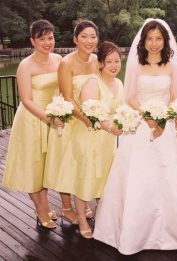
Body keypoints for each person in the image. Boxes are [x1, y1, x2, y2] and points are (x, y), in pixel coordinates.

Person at [93, 18, 177, 254]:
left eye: (158, 39)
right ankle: (133, 234)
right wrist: (148, 117)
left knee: (170, 177)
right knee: (138, 177)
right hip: (140, 126)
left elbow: (176, 96)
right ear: (143, 41)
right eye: (149, 39)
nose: (154, 44)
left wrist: (167, 117)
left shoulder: (172, 66)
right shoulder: (136, 64)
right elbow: (131, 97)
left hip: (165, 127)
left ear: (165, 41)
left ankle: (176, 233)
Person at [55, 41, 123, 238]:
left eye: (117, 61)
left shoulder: (119, 83)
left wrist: (126, 121)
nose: (113, 65)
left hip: (107, 141)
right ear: (100, 63)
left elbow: (122, 110)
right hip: (88, 137)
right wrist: (110, 126)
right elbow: (90, 114)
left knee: (103, 178)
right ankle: (82, 220)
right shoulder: (93, 83)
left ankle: (103, 216)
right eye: (109, 61)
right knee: (84, 177)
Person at [2, 19, 63, 228]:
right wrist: (49, 118)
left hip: (54, 118)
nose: (48, 42)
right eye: (42, 38)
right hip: (32, 120)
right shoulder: (25, 65)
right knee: (32, 167)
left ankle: (45, 205)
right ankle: (41, 209)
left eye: (50, 37)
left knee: (45, 168)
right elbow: (26, 100)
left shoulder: (58, 60)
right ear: (32, 41)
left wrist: (62, 112)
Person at [43, 20, 99, 224]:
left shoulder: (96, 60)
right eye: (84, 36)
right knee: (69, 164)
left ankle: (82, 204)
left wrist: (97, 116)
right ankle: (67, 207)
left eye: (93, 36)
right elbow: (68, 97)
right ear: (75, 39)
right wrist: (85, 119)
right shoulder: (66, 63)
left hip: (92, 120)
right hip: (74, 120)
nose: (89, 40)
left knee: (86, 163)